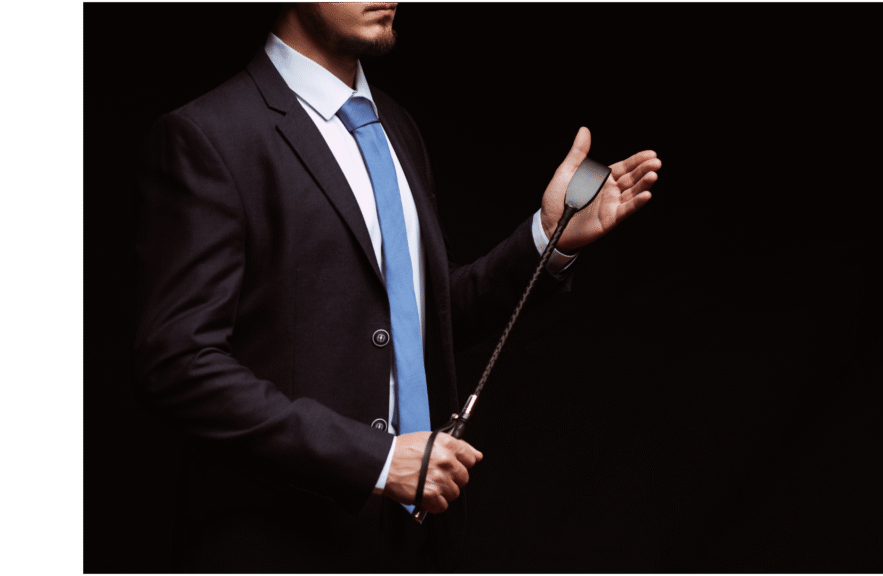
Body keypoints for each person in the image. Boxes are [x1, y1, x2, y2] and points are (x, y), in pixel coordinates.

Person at [134, 2, 661, 572]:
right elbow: (178, 363)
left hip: (412, 543)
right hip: (276, 544)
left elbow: (419, 326)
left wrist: (548, 238)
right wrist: (377, 461)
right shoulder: (209, 135)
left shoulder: (395, 125)